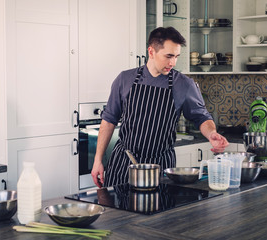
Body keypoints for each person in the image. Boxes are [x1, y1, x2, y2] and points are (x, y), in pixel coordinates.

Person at [91, 27, 229, 188]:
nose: (173, 62)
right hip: (124, 163)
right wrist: (97, 160)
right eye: (168, 56)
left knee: (159, 211)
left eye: (176, 56)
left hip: (161, 166)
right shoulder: (125, 79)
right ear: (151, 52)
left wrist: (211, 133)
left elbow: (201, 116)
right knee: (117, 211)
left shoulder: (184, 84)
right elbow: (108, 120)